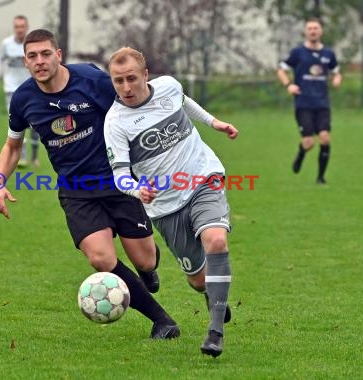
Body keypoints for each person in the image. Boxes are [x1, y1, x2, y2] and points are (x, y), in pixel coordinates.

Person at [0, 29, 180, 339]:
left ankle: (146, 269)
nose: (40, 61)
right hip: (77, 192)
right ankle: (162, 320)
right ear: (25, 62)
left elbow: (131, 112)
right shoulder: (24, 99)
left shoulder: (92, 81)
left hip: (119, 182)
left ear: (59, 55)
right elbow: (12, 146)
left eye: (46, 54)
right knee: (101, 259)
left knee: (145, 259)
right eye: (33, 56)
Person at [103, 47, 238, 358]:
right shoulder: (115, 122)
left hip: (203, 177)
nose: (126, 88)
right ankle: (210, 293)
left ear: (146, 75)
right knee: (197, 280)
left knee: (216, 241)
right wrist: (138, 190)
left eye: (132, 79)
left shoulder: (168, 86)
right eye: (118, 81)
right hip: (164, 206)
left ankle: (215, 330)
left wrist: (212, 122)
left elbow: (182, 101)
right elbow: (120, 175)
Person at [277, 17, 342, 184]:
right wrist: (289, 85)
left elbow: (336, 71)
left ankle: (321, 178)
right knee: (309, 143)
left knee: (325, 138)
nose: (313, 31)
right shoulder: (298, 53)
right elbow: (281, 70)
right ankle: (301, 154)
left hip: (322, 104)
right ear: (305, 32)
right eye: (310, 28)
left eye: (316, 28)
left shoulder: (329, 54)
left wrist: (337, 79)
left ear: (321, 31)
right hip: (303, 104)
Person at [0, 15, 39, 168]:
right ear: (14, 28)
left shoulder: (32, 45)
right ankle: (22, 157)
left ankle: (35, 157)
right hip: (11, 89)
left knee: (35, 123)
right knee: (17, 122)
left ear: (27, 27)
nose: (19, 30)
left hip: (31, 89)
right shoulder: (7, 44)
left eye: (22, 26)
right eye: (17, 27)